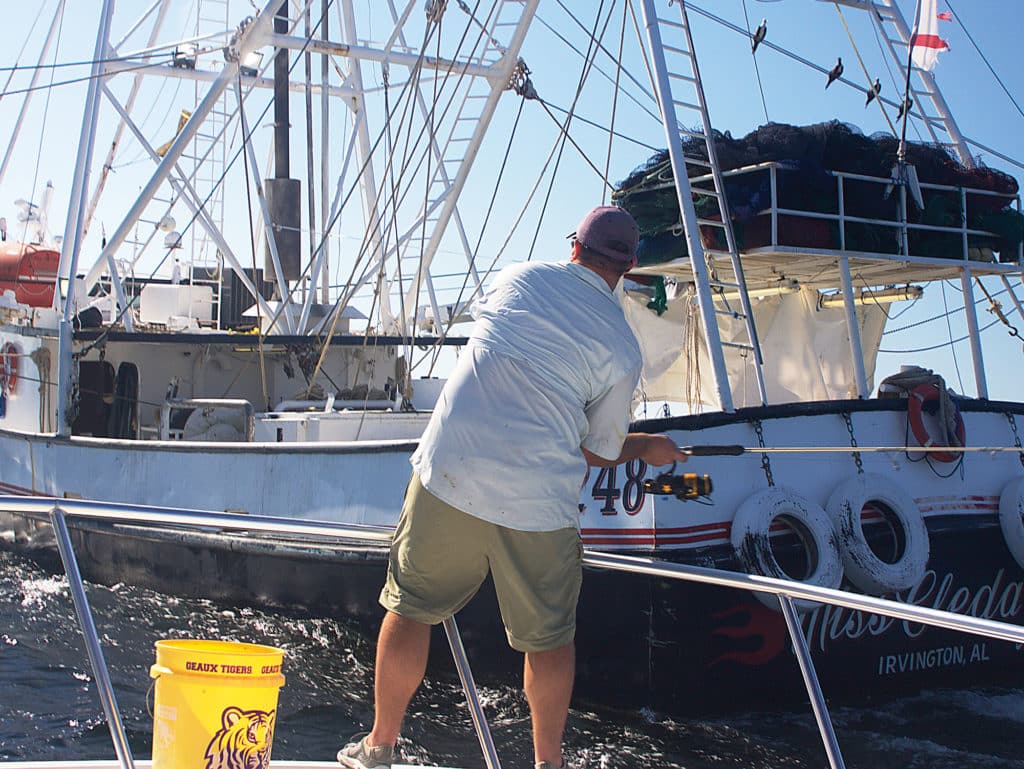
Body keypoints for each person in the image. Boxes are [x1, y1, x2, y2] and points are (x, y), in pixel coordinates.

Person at [337, 205, 687, 769]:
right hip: (537, 501)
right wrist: (647, 447)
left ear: (574, 246)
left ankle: (379, 748)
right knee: (548, 641)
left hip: (450, 476)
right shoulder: (623, 349)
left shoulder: (516, 277)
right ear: (631, 264)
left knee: (410, 609)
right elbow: (596, 451)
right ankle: (548, 764)